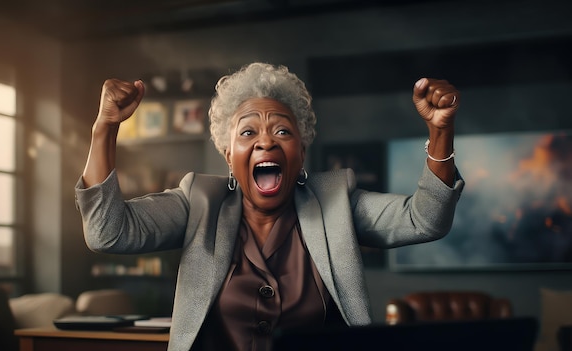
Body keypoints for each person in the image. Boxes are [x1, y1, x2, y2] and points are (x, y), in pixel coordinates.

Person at [75, 62, 464, 351]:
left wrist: (441, 132)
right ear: (229, 155)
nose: (266, 142)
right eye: (248, 132)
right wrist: (105, 128)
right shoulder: (198, 202)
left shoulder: (336, 203)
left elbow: (425, 220)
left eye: (282, 130)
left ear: (301, 153)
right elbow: (108, 232)